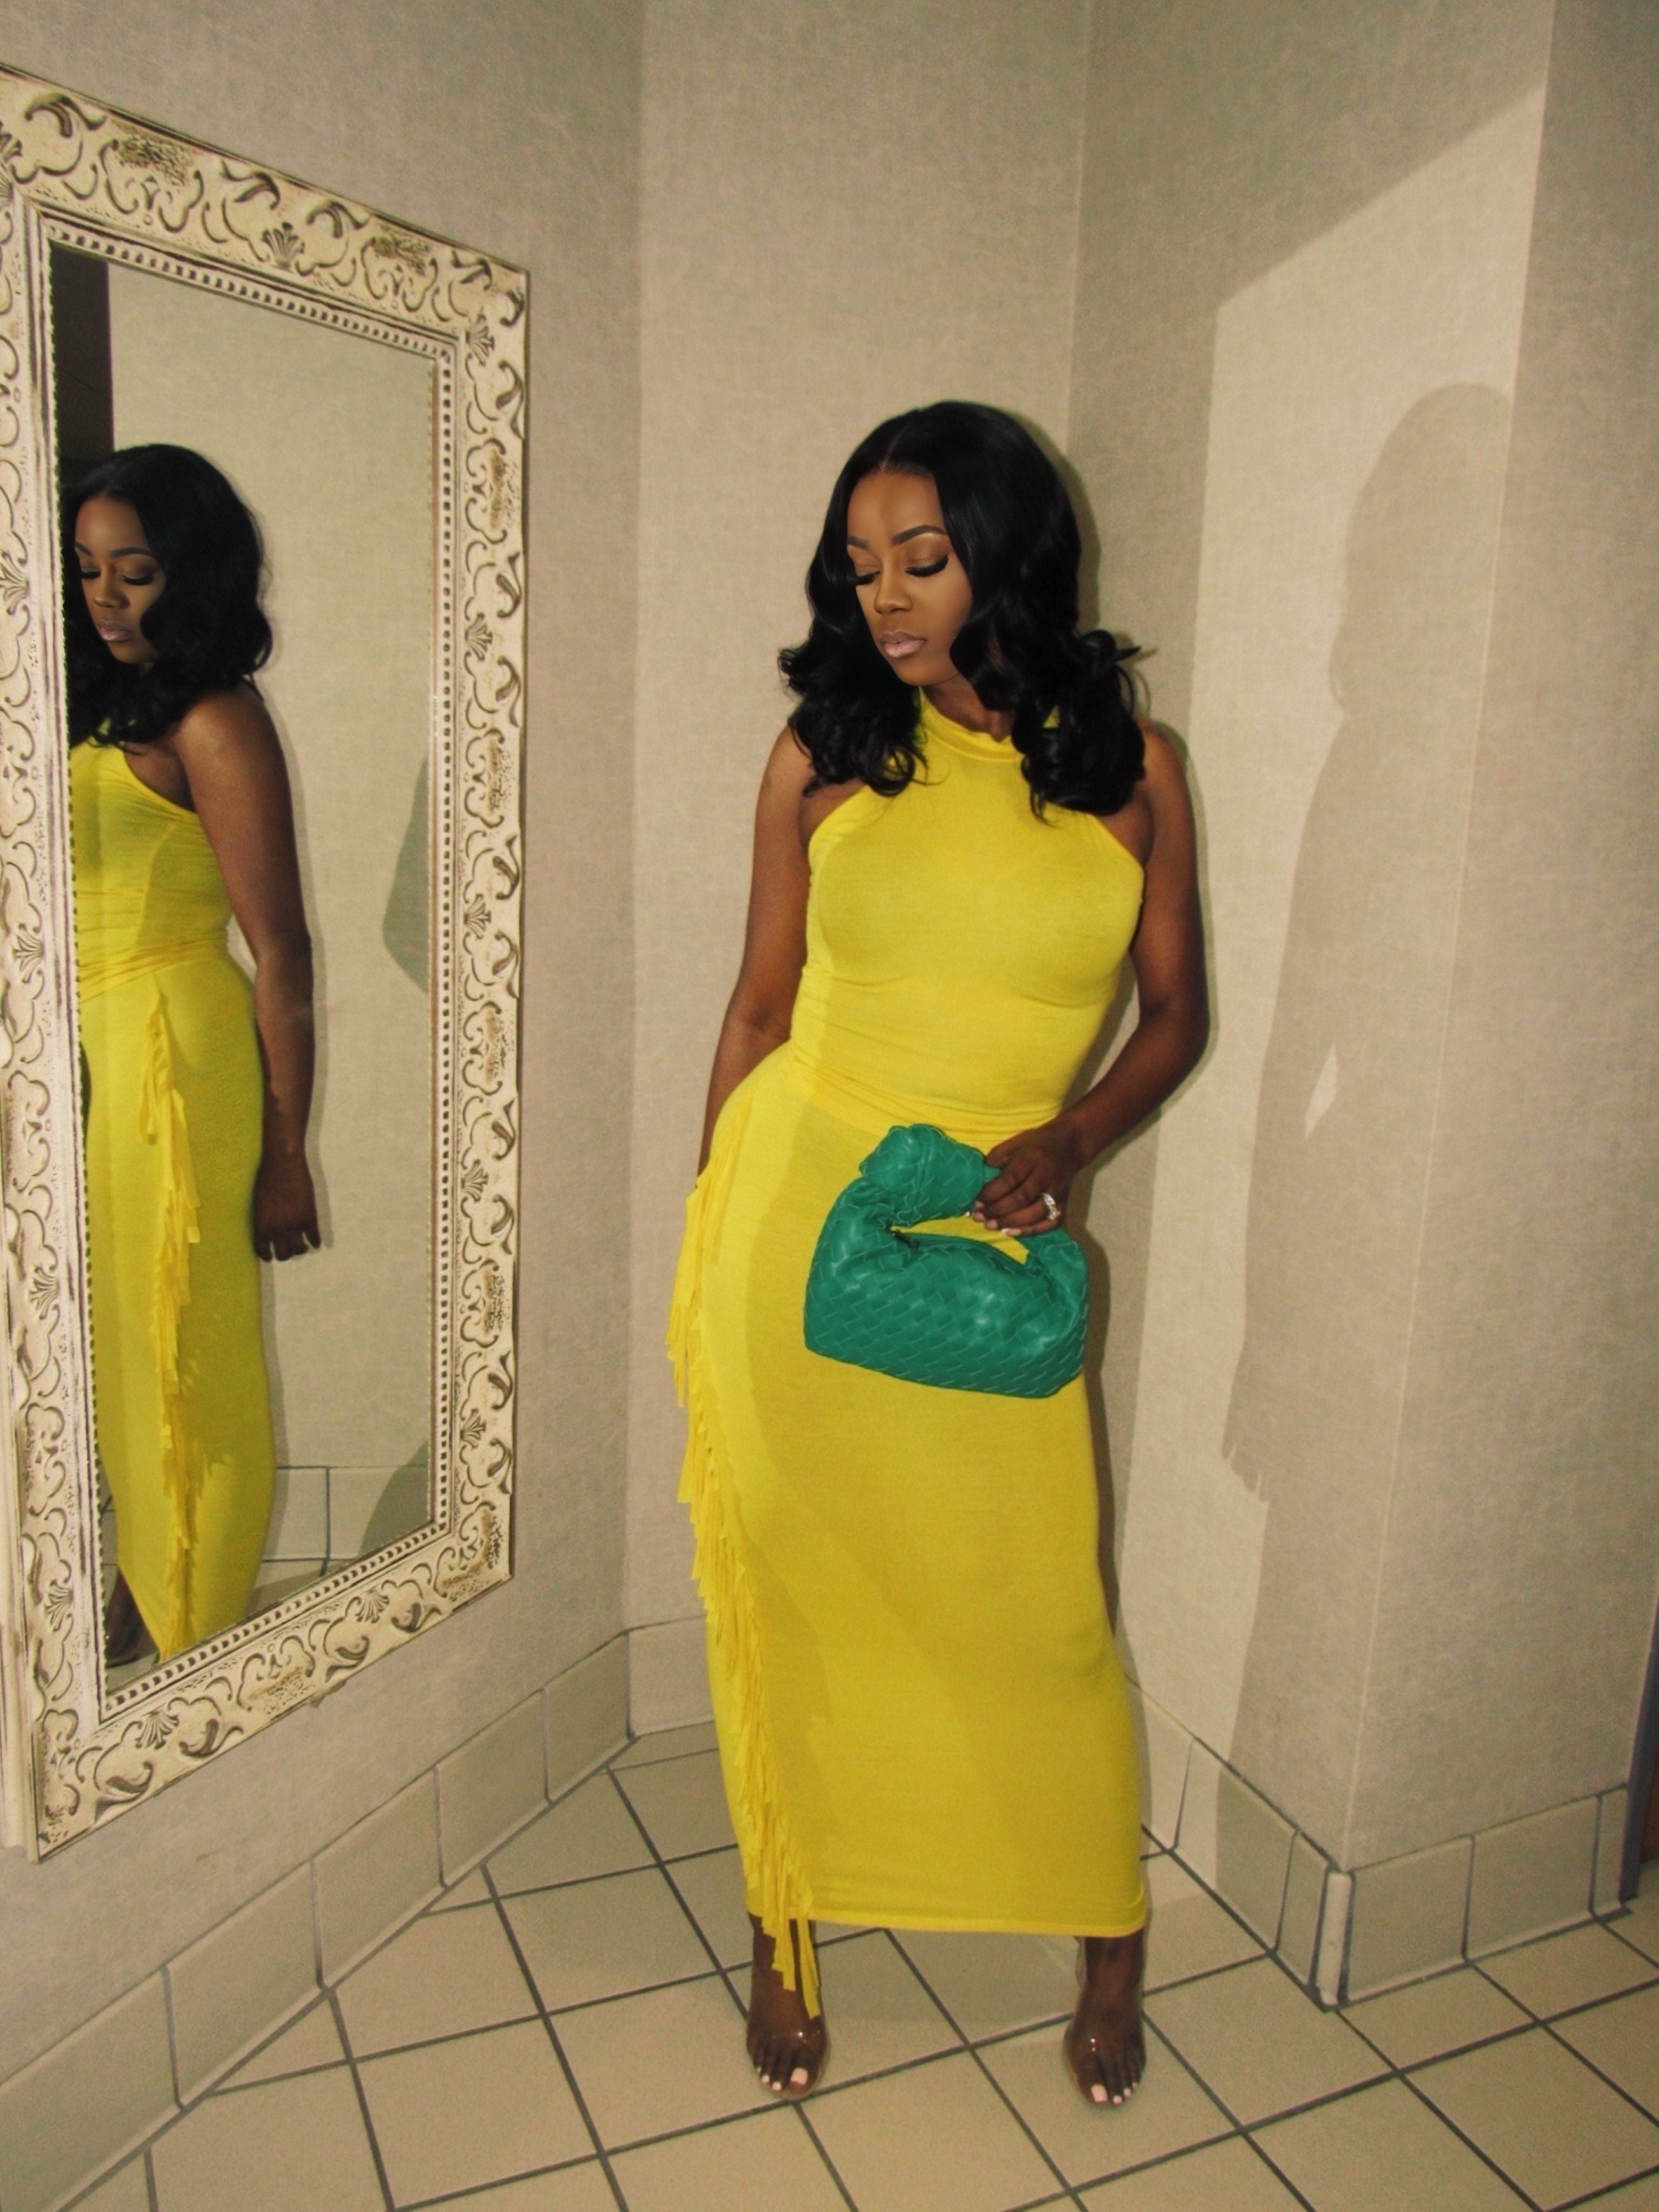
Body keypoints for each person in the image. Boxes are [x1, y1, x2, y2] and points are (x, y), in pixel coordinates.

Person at [669, 400, 1208, 2106]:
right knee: (802, 1588)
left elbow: (1177, 1013)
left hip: (984, 1239)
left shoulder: (1127, 767)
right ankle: (786, 1917)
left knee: (1040, 1605)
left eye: (923, 559)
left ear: (1006, 553)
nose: (887, 600)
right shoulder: (824, 752)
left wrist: (1073, 1139)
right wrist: (707, 1243)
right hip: (798, 1224)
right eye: (860, 566)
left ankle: (1103, 1940)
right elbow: (757, 1011)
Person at [65, 444, 318, 1666]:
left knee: (191, 1359)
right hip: (98, 1059)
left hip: (176, 1052)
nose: (107, 595)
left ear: (193, 573)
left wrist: (287, 1155)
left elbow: (282, 951)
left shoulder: (215, 719)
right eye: (90, 569)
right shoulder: (103, 702)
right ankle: (147, 1605)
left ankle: (190, 1634)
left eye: (138, 571)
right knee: (126, 1352)